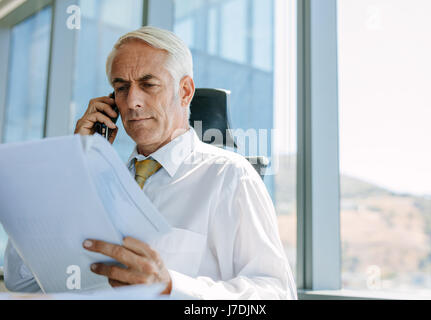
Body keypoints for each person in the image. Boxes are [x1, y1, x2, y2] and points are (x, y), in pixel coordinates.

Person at [4, 26, 297, 299]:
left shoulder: (229, 177)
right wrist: (72, 164)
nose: (132, 102)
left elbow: (276, 293)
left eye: (148, 84)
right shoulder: (101, 181)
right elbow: (21, 279)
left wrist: (170, 286)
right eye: (121, 87)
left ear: (184, 91)